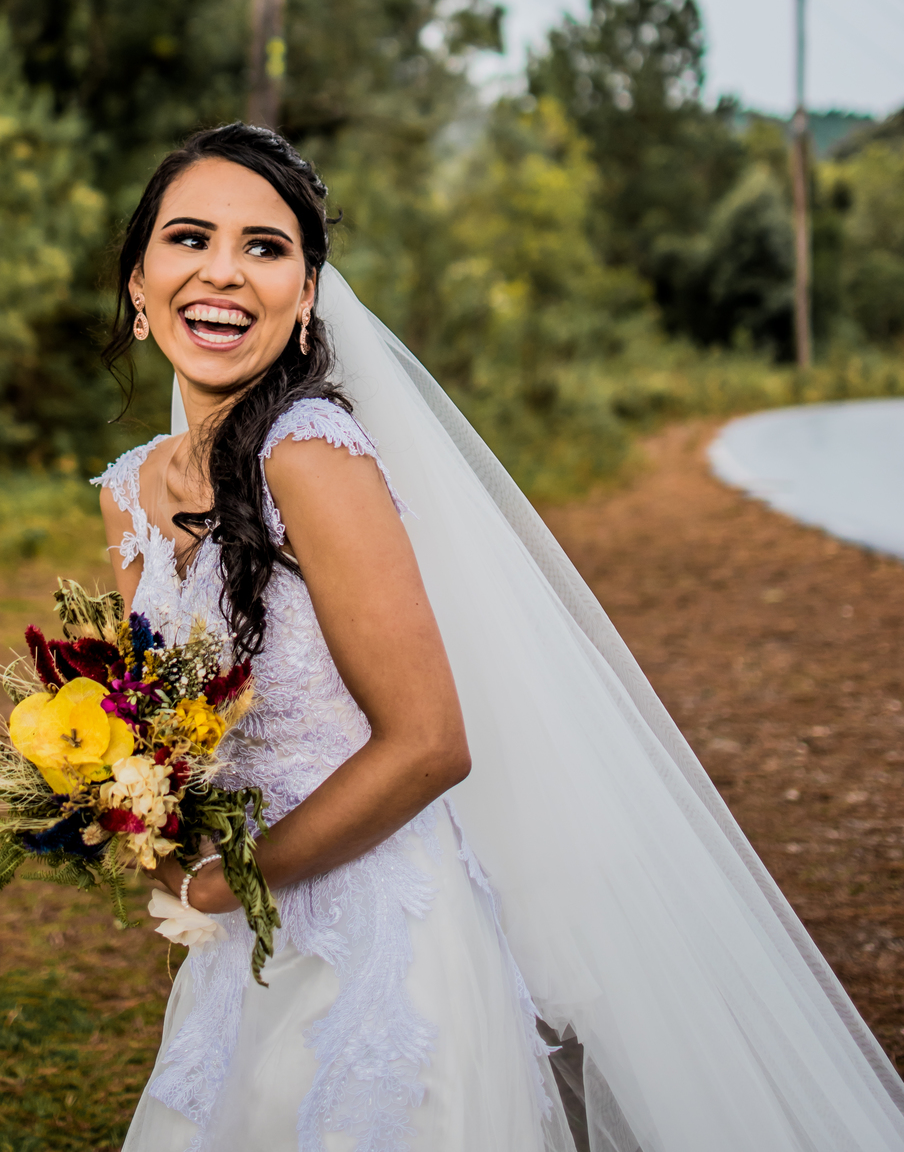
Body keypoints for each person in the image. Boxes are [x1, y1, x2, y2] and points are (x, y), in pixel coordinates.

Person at [95, 124, 904, 1152]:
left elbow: (430, 743)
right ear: (139, 282)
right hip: (245, 945)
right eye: (189, 238)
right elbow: (165, 726)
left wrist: (225, 879)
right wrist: (127, 809)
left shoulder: (311, 458)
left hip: (378, 939)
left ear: (306, 295)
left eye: (265, 246)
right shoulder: (130, 492)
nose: (223, 271)